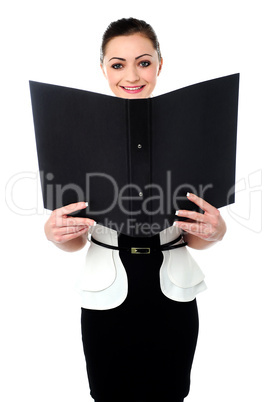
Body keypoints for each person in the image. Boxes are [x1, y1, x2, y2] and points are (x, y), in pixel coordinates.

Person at [44, 18, 226, 402]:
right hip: (105, 292)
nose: (131, 74)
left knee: (171, 392)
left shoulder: (191, 130)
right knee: (108, 393)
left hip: (173, 290)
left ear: (160, 64)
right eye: (117, 63)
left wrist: (216, 230)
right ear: (103, 69)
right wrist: (56, 234)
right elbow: (75, 240)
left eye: (143, 62)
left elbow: (194, 235)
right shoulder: (77, 131)